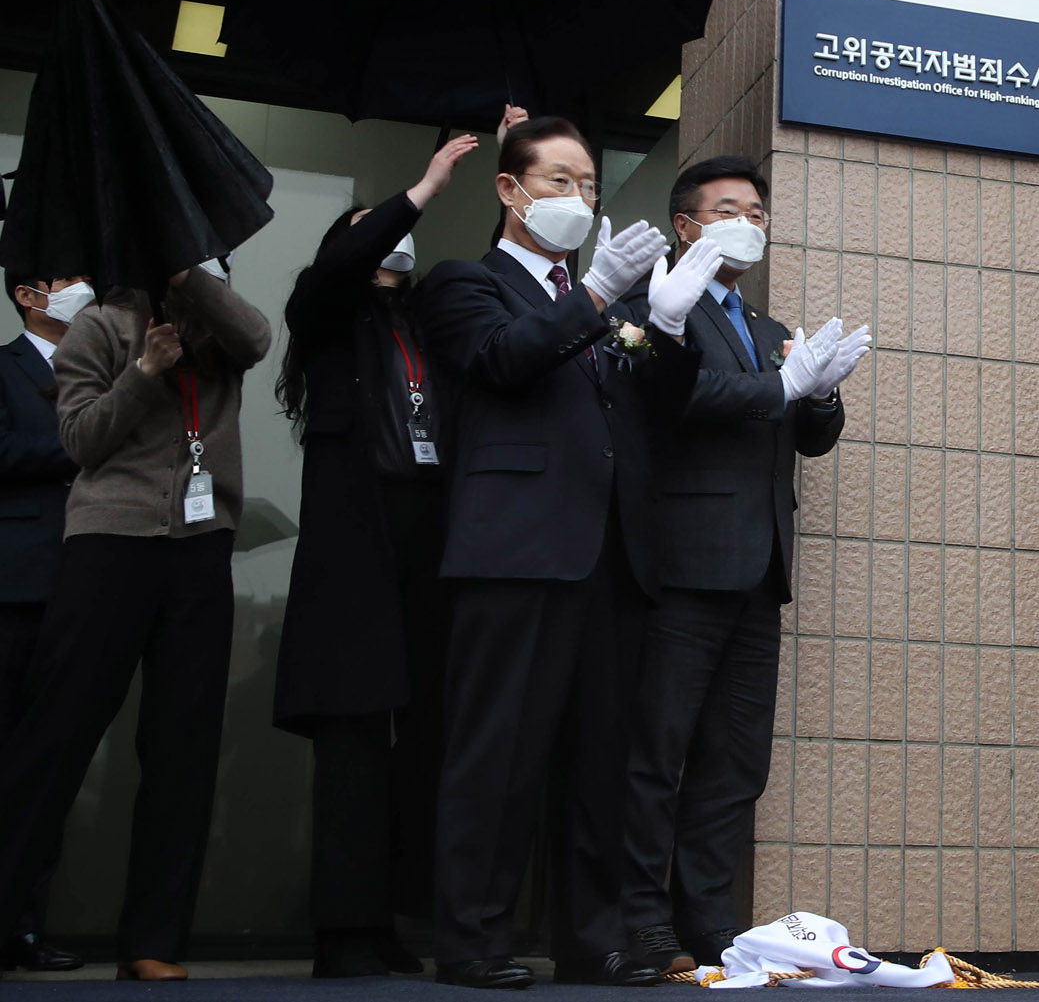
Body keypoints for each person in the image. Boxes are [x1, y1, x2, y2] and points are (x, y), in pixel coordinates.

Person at [420, 115, 723, 990]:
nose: (579, 200)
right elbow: (504, 359)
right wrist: (593, 297)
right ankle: (470, 937)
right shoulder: (463, 283)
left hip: (610, 555)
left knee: (602, 759)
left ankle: (594, 939)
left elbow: (656, 411)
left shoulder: (611, 300)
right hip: (516, 550)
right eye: (559, 181)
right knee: (497, 750)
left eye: (589, 185)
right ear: (509, 191)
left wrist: (662, 327)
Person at [623, 156, 866, 972]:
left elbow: (808, 436)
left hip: (761, 569)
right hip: (685, 565)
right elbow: (680, 402)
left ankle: (706, 921)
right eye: (730, 209)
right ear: (686, 226)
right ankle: (642, 922)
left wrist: (821, 393)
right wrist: (782, 387)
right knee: (658, 750)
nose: (749, 223)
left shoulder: (767, 328)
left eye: (758, 212)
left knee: (735, 762)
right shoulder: (661, 312)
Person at [0, 259, 271, 981]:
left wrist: (192, 278)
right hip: (109, 542)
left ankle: (153, 939)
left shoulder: (217, 324)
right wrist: (144, 369)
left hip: (202, 543)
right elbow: (82, 440)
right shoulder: (96, 325)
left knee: (184, 744)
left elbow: (257, 335)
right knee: (57, 733)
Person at [270, 134, 479, 977]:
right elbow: (338, 266)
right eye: (373, 231)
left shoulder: (429, 319)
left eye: (401, 231)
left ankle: (395, 916)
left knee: (424, 737)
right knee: (355, 742)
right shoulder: (327, 313)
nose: (394, 242)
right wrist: (423, 187)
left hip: (433, 539)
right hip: (356, 546)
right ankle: (343, 932)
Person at [0, 271, 89, 974]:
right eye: (68, 279)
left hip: (84, 585)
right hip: (16, 583)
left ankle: (24, 923)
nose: (84, 287)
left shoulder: (101, 370)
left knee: (51, 763)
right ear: (30, 294)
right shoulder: (4, 369)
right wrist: (85, 441)